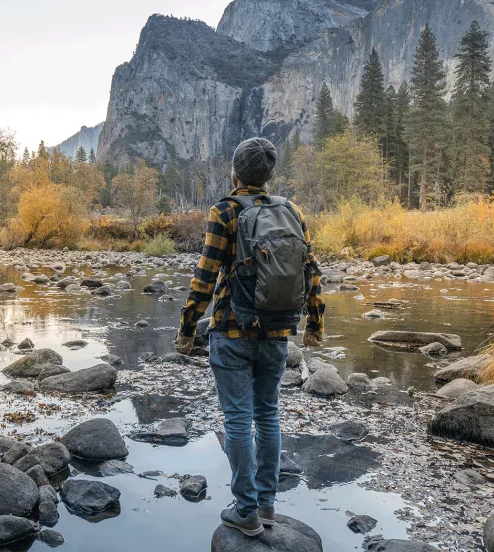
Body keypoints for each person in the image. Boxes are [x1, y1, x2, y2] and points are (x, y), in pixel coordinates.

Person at [176, 137, 324, 537]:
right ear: (269, 175)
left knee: (238, 420)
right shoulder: (290, 210)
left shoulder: (224, 210)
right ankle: (268, 504)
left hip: (232, 329)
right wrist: (315, 323)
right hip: (277, 331)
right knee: (268, 414)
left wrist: (188, 328)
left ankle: (245, 511)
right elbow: (310, 269)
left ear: (236, 172)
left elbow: (205, 276)